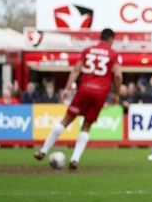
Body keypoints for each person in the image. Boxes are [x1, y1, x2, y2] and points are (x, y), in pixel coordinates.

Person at [34, 28, 123, 170]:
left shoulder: (88, 50)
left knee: (66, 120)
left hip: (85, 89)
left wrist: (67, 89)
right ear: (111, 39)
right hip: (100, 93)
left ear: (101, 37)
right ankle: (74, 160)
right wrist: (117, 93)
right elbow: (118, 75)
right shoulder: (113, 54)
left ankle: (42, 151)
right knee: (87, 125)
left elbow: (76, 69)